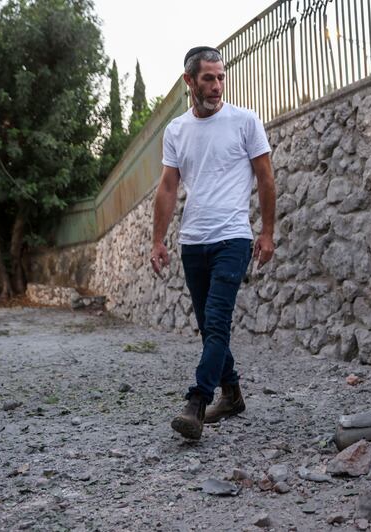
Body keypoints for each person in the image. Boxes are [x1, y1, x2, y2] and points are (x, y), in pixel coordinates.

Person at [150, 46, 276, 440]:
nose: (217, 85)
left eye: (221, 77)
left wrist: (267, 233)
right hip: (193, 242)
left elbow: (266, 179)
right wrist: (158, 239)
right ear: (189, 81)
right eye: (208, 77)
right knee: (209, 328)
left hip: (233, 238)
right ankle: (233, 393)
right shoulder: (176, 130)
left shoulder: (245, 121)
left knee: (218, 321)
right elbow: (168, 186)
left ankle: (197, 401)